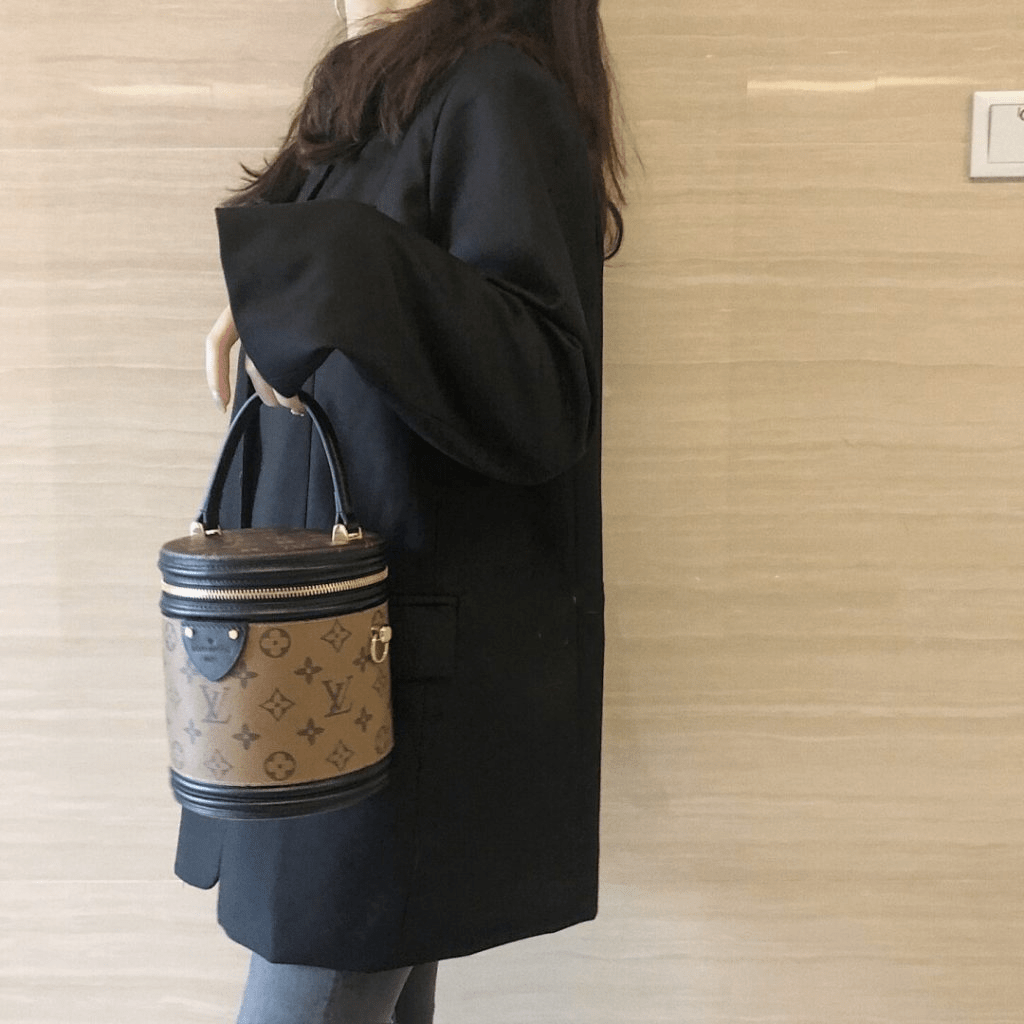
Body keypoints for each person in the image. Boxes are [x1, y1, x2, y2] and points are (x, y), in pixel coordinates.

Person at [179, 0, 624, 1020]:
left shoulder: (494, 91)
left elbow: (543, 391)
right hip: (320, 664)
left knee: (325, 958)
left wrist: (324, 261)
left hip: (381, 678)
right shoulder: (383, 98)